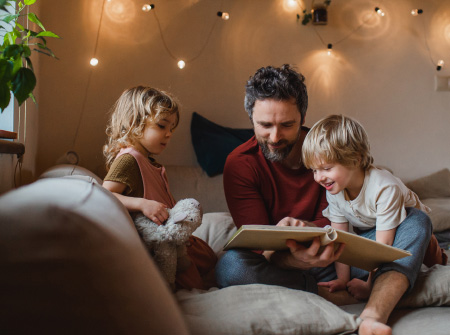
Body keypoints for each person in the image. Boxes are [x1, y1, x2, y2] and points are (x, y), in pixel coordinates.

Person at [216, 65, 445, 335]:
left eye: (287, 125)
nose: (275, 137)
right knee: (230, 266)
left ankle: (373, 311)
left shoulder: (330, 148)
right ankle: (340, 296)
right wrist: (298, 257)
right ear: (251, 119)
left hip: (344, 254)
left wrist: (315, 236)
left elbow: (357, 227)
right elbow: (258, 248)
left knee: (415, 220)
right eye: (264, 125)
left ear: (302, 117)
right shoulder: (240, 164)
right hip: (285, 265)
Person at [302, 114, 442, 302]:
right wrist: (342, 280)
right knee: (326, 255)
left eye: (326, 168)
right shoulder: (334, 190)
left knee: (435, 266)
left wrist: (370, 285)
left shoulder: (383, 187)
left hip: (407, 231)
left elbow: (382, 246)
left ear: (355, 160)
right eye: (314, 170)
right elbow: (339, 238)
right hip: (372, 232)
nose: (318, 178)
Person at [102, 86, 217, 291]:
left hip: (171, 237)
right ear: (133, 123)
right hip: (159, 246)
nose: (169, 134)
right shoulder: (129, 159)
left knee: (209, 256)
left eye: (172, 128)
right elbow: (104, 195)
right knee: (200, 275)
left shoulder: (147, 161)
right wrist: (141, 204)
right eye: (162, 126)